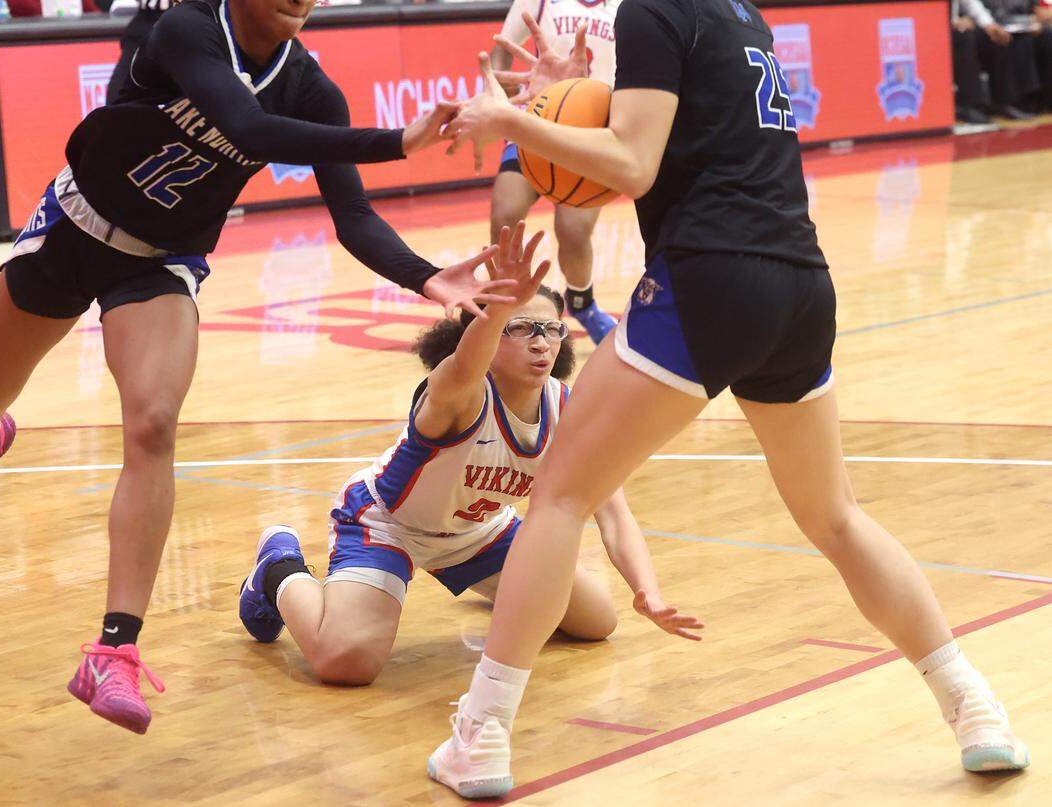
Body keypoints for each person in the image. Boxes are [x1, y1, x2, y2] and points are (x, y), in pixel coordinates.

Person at [430, 1, 1030, 796]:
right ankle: (974, 705)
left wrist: (512, 118)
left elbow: (632, 162)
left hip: (711, 274)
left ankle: (481, 733)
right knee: (837, 517)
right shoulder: (740, 14)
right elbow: (673, 125)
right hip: (799, 281)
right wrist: (568, 90)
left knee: (562, 495)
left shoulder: (650, 9)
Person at [0, 0, 514, 735]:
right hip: (74, 230)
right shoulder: (187, 30)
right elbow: (248, 128)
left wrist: (429, 276)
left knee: (153, 423)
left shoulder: (311, 88)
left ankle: (114, 647)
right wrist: (397, 140)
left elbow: (353, 218)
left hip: (162, 262)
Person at [236, 222, 703, 688]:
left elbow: (613, 513)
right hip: (390, 525)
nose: (540, 342)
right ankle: (278, 567)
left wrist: (648, 591)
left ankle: (498, 585)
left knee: (596, 622)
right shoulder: (459, 392)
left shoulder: (568, 408)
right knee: (346, 663)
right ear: (489, 330)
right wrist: (495, 312)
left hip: (481, 533)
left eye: (550, 329)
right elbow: (464, 364)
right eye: (521, 328)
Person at [489, 4, 620, 344]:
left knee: (574, 231)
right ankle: (505, 304)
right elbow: (500, 52)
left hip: (592, 129)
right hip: (537, 119)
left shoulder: (626, 6)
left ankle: (583, 303)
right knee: (505, 213)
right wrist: (504, 107)